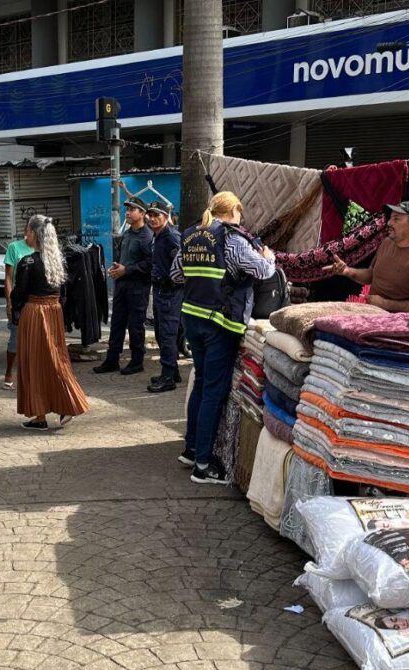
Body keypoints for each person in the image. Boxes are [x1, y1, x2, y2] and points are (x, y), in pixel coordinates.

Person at [172, 191, 275, 485]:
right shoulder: (232, 239)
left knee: (201, 383)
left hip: (192, 317)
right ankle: (203, 466)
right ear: (233, 211)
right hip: (219, 323)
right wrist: (269, 256)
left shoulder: (190, 235)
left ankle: (191, 450)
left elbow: (176, 274)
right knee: (213, 392)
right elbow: (263, 271)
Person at [13, 214, 89, 431]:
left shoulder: (28, 262)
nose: (25, 235)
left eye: (28, 231)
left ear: (34, 234)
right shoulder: (58, 261)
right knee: (56, 359)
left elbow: (18, 294)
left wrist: (16, 308)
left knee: (34, 363)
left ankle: (41, 415)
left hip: (34, 313)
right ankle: (63, 404)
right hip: (54, 312)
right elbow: (63, 294)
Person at [325, 200, 409, 314]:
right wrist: (347, 271)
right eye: (390, 218)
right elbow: (372, 275)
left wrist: (385, 304)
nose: (389, 223)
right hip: (370, 313)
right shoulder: (387, 242)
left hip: (398, 321)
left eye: (396, 219)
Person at [94, 197, 154, 376]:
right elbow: (123, 257)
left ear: (142, 214)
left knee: (135, 326)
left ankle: (137, 361)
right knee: (117, 323)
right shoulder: (127, 234)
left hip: (138, 288)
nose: (127, 213)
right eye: (127, 209)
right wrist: (117, 268)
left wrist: (127, 269)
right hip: (122, 285)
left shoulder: (148, 236)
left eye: (132, 210)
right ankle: (112, 360)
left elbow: (150, 264)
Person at [145, 200, 184, 394]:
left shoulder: (172, 237)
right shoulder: (157, 236)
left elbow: (183, 264)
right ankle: (173, 371)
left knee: (167, 335)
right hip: (160, 291)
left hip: (170, 292)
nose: (152, 219)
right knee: (161, 333)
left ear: (166, 217)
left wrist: (173, 282)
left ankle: (168, 377)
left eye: (157, 215)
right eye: (150, 215)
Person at [2, 233, 35, 389]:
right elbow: (8, 277)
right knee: (15, 339)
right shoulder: (14, 248)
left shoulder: (43, 248)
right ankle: (9, 372)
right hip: (19, 301)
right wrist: (9, 302)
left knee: (34, 340)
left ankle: (30, 376)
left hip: (36, 300)